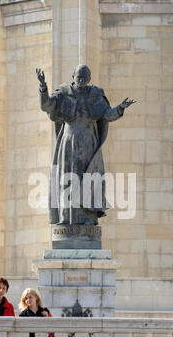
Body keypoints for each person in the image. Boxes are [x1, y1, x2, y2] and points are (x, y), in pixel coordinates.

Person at [36, 64, 135, 225]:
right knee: (67, 180)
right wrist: (42, 87)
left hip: (89, 144)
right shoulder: (63, 93)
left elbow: (108, 115)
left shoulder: (95, 95)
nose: (81, 80)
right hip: (69, 143)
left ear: (89, 79)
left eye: (85, 78)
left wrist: (120, 108)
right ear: (73, 76)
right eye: (78, 77)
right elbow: (45, 105)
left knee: (89, 180)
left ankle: (88, 219)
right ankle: (66, 218)